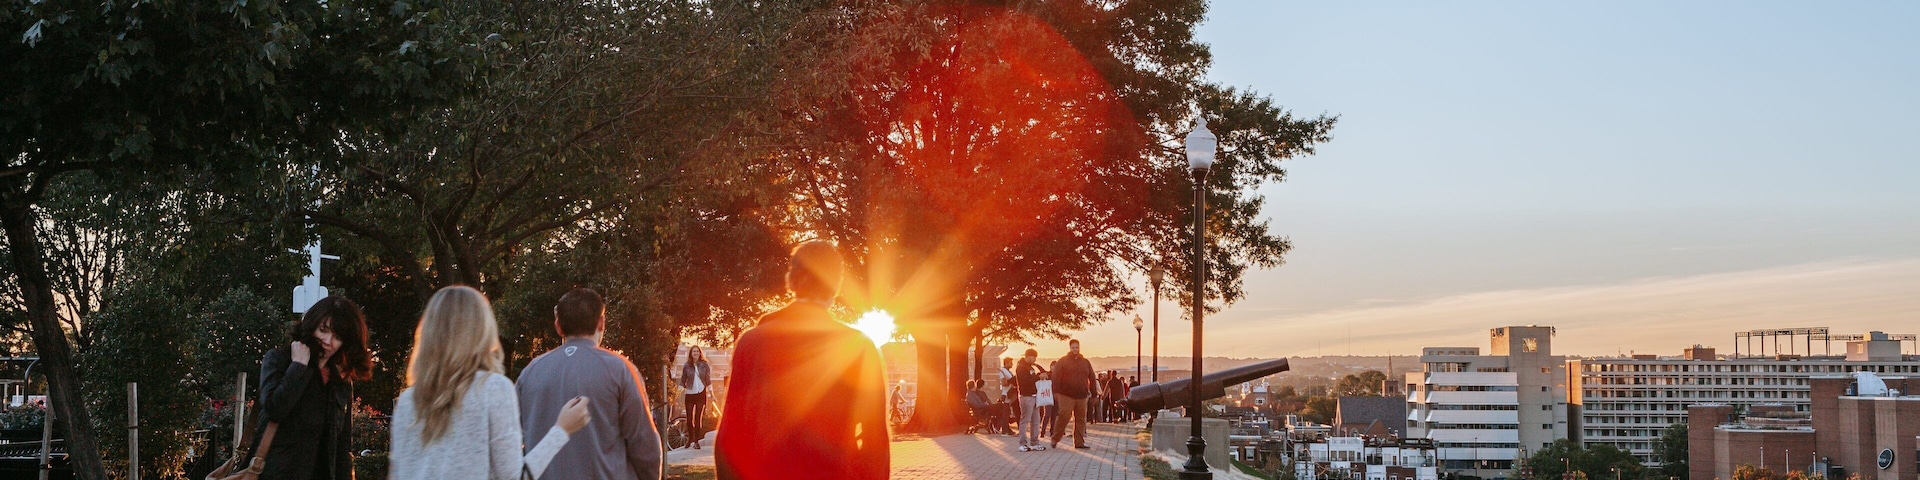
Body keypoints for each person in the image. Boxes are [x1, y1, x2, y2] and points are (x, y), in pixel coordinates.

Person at [716, 240, 888, 480]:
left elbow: (730, 437)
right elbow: (874, 441)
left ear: (792, 278)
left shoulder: (752, 343)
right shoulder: (859, 347)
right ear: (836, 284)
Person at [390, 286, 592, 480]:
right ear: (481, 331)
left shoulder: (408, 401)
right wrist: (561, 429)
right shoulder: (492, 389)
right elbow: (514, 476)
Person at [517, 288, 665, 480]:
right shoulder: (620, 370)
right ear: (601, 323)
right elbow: (644, 445)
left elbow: (512, 444)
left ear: (558, 326)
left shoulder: (530, 373)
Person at [250, 296, 373, 480]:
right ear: (312, 324)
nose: (328, 340)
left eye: (337, 337)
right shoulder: (280, 360)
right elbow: (274, 410)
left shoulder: (340, 382)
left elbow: (342, 447)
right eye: (323, 330)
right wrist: (298, 367)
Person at [1050, 339, 1096, 449]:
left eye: (1077, 347)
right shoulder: (1063, 361)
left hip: (1082, 395)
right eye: (1073, 347)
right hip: (1066, 395)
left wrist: (1094, 395)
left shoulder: (1085, 362)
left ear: (1079, 348)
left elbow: (1092, 378)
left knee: (1081, 419)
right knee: (1064, 416)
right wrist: (1055, 391)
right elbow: (1055, 377)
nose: (1075, 349)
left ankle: (1079, 443)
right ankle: (1055, 439)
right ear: (1070, 348)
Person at [1011, 349, 1047, 452]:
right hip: (1026, 396)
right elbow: (1025, 381)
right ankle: (1022, 443)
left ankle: (1034, 442)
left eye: (1035, 357)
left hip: (1035, 396)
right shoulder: (1020, 368)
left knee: (1036, 421)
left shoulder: (1032, 368)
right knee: (1025, 420)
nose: (1034, 359)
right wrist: (1038, 377)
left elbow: (1036, 376)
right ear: (1028, 356)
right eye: (1033, 357)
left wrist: (1038, 367)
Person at [679, 347, 713, 449]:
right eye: (694, 351)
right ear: (691, 353)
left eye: (697, 351)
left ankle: (697, 441)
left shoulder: (704, 364)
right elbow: (683, 379)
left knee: (698, 418)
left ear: (700, 353)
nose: (695, 353)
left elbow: (708, 379)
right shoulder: (687, 365)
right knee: (689, 419)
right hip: (689, 393)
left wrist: (712, 393)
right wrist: (678, 391)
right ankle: (690, 438)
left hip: (701, 393)